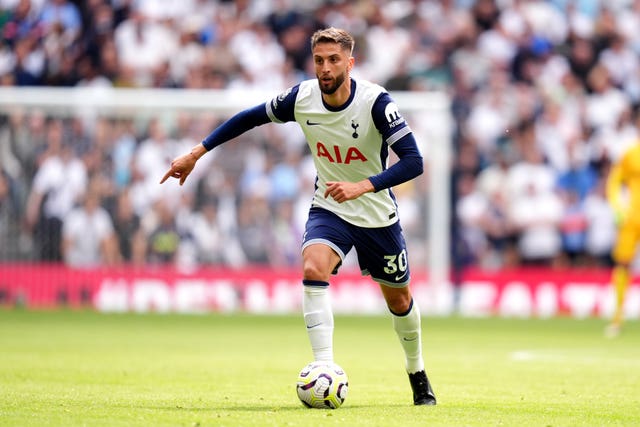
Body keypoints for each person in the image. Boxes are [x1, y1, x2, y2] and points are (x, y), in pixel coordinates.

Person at [160, 27, 436, 406]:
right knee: (312, 267)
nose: (325, 68)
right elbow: (250, 117)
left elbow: (414, 161)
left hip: (375, 213)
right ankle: (324, 369)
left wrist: (364, 185)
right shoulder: (302, 97)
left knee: (400, 301)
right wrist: (197, 152)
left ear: (350, 63)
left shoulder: (375, 102)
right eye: (319, 60)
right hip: (330, 206)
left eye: (334, 60)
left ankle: (417, 373)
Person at [605, 141, 640, 337]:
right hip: (632, 218)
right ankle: (617, 318)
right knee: (623, 264)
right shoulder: (631, 153)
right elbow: (614, 181)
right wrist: (618, 207)